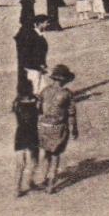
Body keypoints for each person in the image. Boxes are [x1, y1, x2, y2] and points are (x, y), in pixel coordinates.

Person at [36, 64, 78, 193]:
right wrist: (74, 129)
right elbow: (71, 114)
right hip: (58, 128)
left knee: (46, 154)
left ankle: (42, 179)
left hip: (43, 127)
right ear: (65, 80)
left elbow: (37, 108)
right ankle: (50, 185)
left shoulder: (45, 91)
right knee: (55, 156)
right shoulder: (67, 94)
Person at [12, 88, 40, 196]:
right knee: (34, 159)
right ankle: (30, 181)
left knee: (20, 163)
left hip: (20, 133)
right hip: (32, 133)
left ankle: (16, 188)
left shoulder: (17, 104)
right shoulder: (35, 104)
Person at [15, 14, 50, 94]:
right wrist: (39, 65)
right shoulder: (33, 36)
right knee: (36, 89)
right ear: (40, 23)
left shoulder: (39, 34)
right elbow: (31, 53)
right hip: (33, 68)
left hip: (37, 67)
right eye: (46, 23)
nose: (48, 25)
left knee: (41, 88)